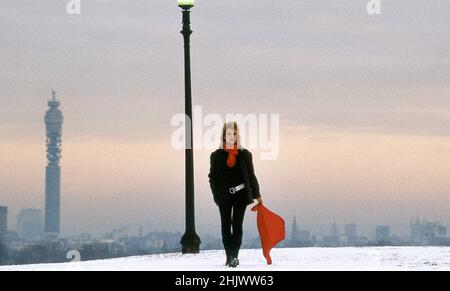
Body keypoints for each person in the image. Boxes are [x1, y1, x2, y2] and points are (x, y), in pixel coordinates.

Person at [208, 121, 263, 268]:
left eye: (233, 133)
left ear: (237, 136)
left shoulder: (245, 155)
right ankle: (229, 256)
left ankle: (234, 257)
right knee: (225, 226)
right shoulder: (216, 155)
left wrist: (257, 194)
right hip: (223, 196)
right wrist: (216, 194)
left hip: (241, 194)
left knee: (237, 225)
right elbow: (212, 177)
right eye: (228, 134)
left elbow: (251, 175)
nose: (231, 136)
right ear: (224, 136)